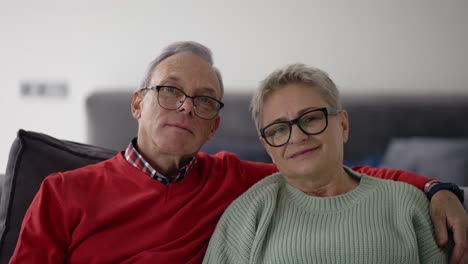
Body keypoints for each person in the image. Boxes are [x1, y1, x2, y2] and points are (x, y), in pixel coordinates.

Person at [9, 41, 467, 264]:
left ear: (213, 127)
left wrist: (435, 187)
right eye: (170, 90)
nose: (186, 106)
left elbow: (332, 171)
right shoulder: (62, 192)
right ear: (137, 103)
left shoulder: (233, 180)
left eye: (204, 100)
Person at [203, 63, 454, 264]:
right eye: (279, 129)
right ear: (267, 146)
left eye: (311, 118)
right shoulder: (247, 216)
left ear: (343, 125)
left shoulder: (409, 206)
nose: (298, 136)